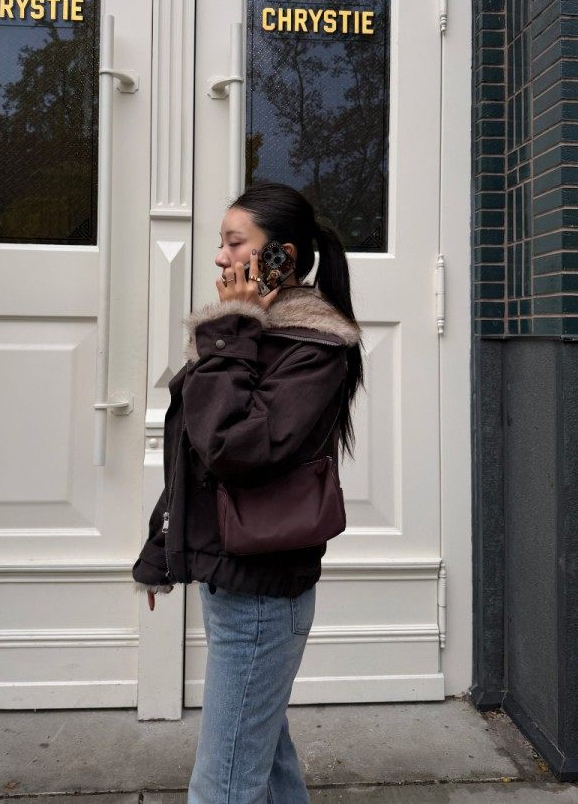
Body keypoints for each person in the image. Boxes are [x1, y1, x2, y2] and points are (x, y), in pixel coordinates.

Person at [132, 181, 364, 803]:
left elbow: (235, 448)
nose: (219, 257)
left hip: (262, 593)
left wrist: (232, 330)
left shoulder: (312, 349)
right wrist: (160, 551)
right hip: (233, 580)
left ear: (282, 256)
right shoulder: (251, 335)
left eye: (235, 243)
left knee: (224, 784)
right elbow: (192, 458)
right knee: (265, 760)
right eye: (222, 242)